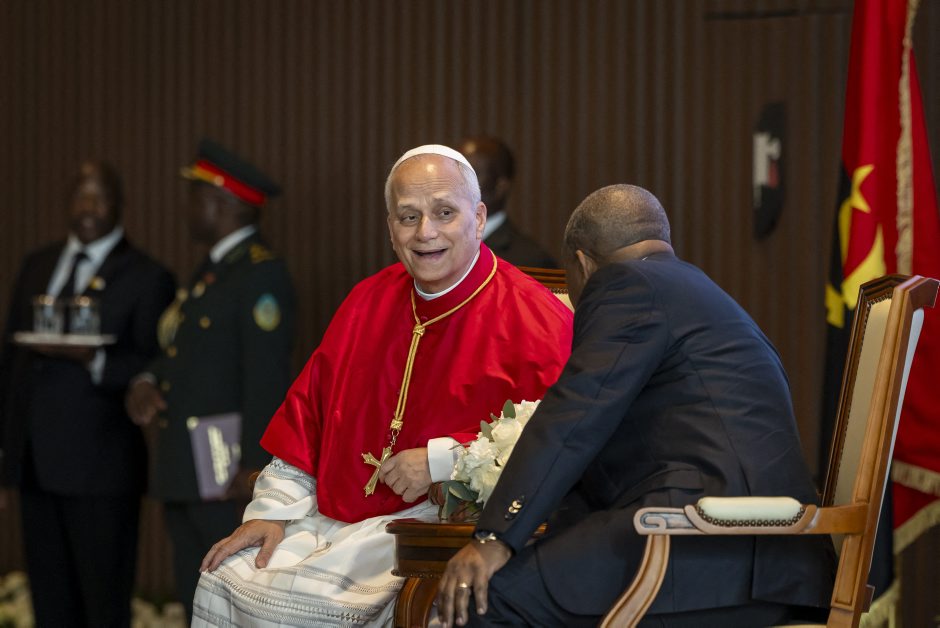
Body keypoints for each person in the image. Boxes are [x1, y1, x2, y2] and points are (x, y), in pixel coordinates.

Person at [191, 144, 574, 626]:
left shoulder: (533, 316)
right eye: (408, 217)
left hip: (431, 531)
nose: (425, 232)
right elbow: (308, 418)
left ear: (478, 219)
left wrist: (440, 461)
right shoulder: (367, 301)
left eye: (444, 213)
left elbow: (556, 438)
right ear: (391, 229)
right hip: (330, 518)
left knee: (310, 611)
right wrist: (270, 512)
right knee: (225, 577)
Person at [437, 184, 837, 627]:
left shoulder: (626, 284)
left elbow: (574, 416)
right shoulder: (697, 291)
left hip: (705, 549)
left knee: (480, 599)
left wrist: (495, 537)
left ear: (582, 264)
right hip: (775, 562)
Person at [125, 139, 296, 621]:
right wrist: (148, 378)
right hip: (189, 466)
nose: (187, 208)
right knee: (193, 593)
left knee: (228, 602)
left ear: (222, 203)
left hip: (227, 474)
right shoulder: (212, 271)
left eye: (194, 196)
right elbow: (183, 352)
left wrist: (254, 467)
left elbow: (266, 377)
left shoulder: (260, 275)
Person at [0, 161, 175, 627]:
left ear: (120, 206)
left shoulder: (147, 275)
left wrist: (93, 360)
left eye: (100, 197)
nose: (89, 207)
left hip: (101, 472)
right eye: (81, 195)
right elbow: (11, 364)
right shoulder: (37, 265)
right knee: (50, 606)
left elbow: (155, 364)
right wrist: (6, 460)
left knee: (102, 607)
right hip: (36, 468)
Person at [457, 136, 557, 268]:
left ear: (500, 187)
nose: (457, 182)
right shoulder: (436, 243)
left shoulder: (531, 260)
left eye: (471, 175)